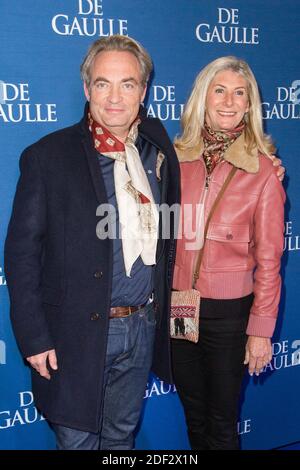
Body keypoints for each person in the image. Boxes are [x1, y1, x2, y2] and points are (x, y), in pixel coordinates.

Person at [4, 35, 180, 450]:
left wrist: (264, 164)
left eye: (128, 84)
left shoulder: (156, 148)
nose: (115, 98)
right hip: (74, 336)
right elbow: (21, 254)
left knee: (121, 440)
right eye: (103, 83)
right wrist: (34, 338)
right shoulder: (48, 157)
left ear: (144, 90)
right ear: (87, 89)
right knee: (78, 441)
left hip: (141, 327)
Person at [171, 56, 285, 450]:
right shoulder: (173, 160)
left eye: (240, 93)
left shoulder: (264, 171)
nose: (228, 101)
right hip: (180, 305)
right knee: (194, 413)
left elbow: (270, 261)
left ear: (250, 104)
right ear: (203, 97)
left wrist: (260, 330)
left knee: (221, 422)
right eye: (219, 90)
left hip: (230, 313)